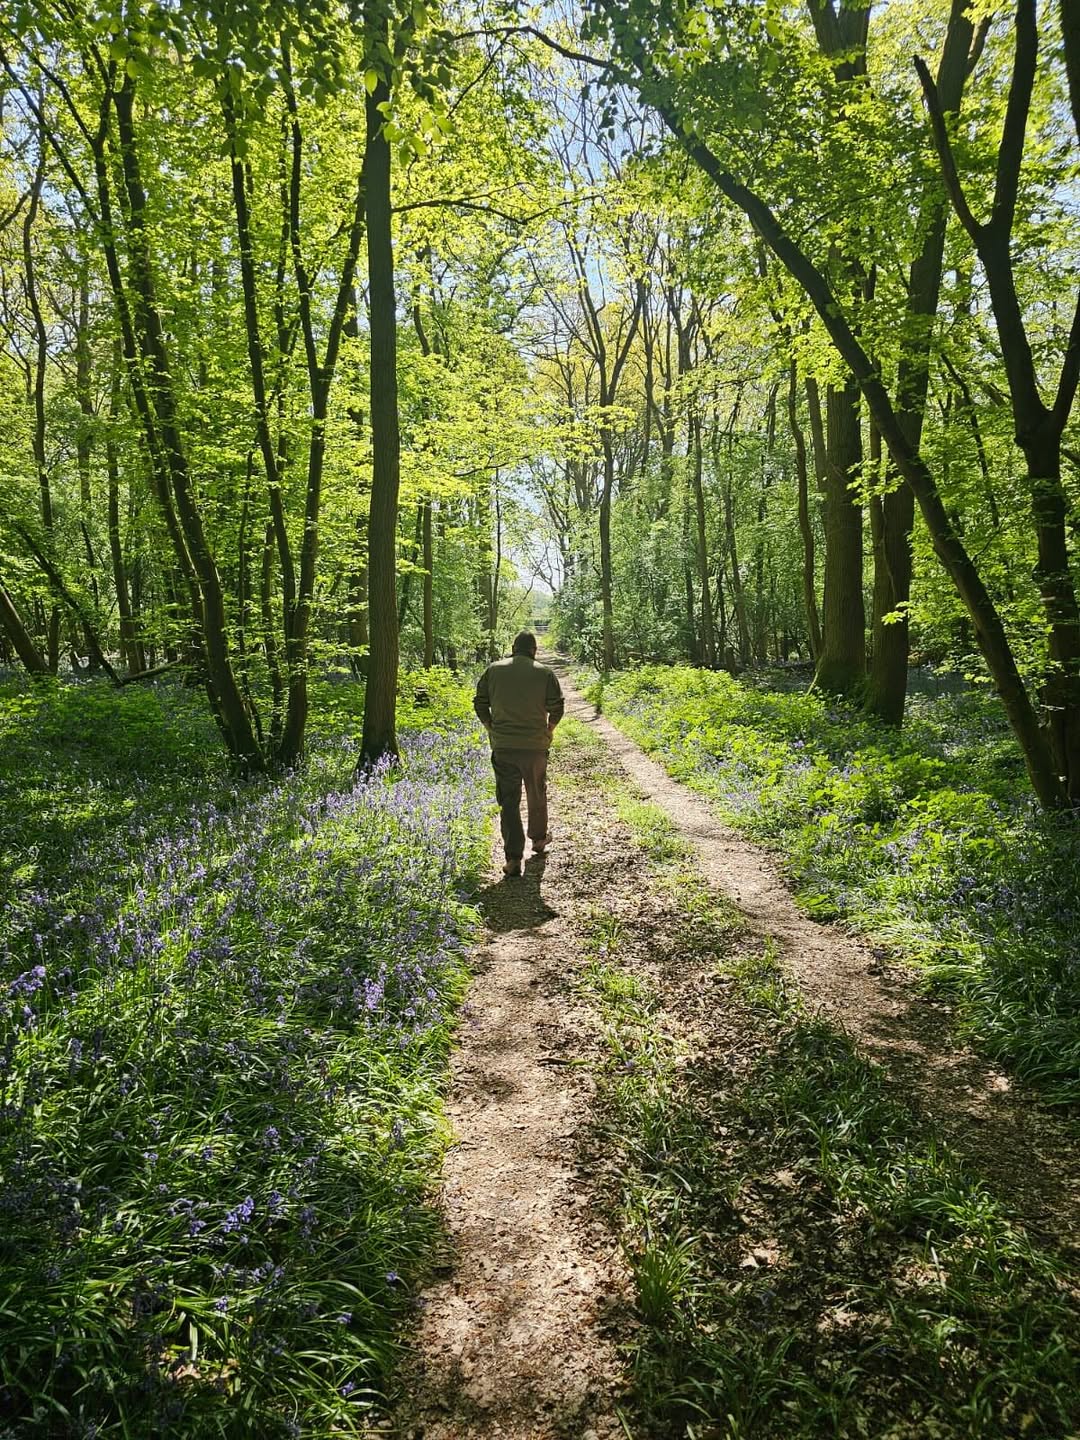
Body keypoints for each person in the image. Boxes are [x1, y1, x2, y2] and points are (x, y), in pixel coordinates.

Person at [474, 631, 565, 878]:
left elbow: (480, 702)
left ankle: (513, 858)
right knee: (537, 793)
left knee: (509, 801)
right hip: (535, 747)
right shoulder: (544, 673)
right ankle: (538, 840)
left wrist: (490, 726)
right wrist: (549, 729)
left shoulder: (493, 670)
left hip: (503, 747)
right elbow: (557, 706)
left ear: (513, 648)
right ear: (534, 650)